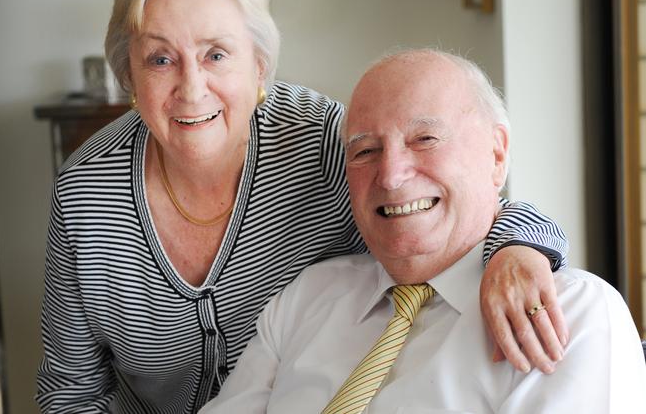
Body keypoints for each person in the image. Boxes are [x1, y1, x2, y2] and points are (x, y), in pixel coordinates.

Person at [36, 0, 570, 414]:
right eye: (159, 59)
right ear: (128, 74)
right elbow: (70, 394)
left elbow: (453, 198)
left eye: (216, 54)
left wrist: (515, 249)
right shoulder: (86, 193)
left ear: (260, 66)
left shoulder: (321, 140)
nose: (191, 87)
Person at [200, 49, 646, 414]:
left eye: (425, 140)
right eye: (365, 150)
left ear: (496, 154)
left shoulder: (572, 314)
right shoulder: (307, 298)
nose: (391, 175)